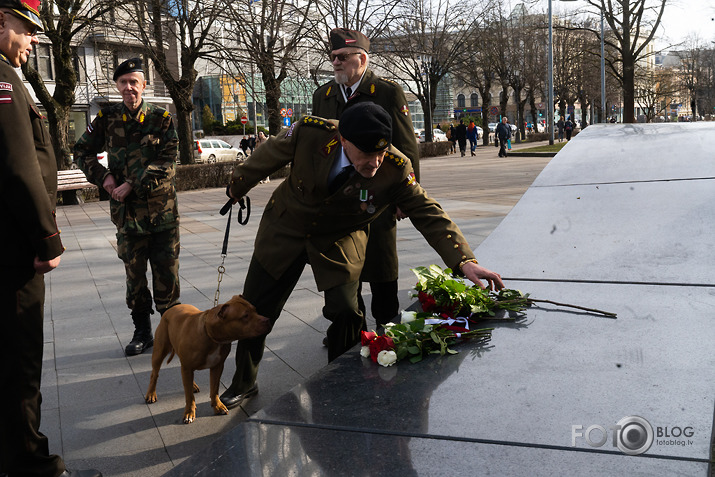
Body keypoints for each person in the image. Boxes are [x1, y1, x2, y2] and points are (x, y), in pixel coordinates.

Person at [219, 103, 504, 409]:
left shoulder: (396, 167)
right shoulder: (311, 133)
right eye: (367, 155)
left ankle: (337, 379)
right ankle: (244, 381)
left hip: (341, 236)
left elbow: (428, 212)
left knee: (345, 309)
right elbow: (268, 155)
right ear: (344, 140)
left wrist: (465, 261)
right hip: (286, 227)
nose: (375, 163)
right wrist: (237, 185)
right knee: (257, 306)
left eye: (380, 153)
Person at [0, 2, 102, 476]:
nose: (35, 39)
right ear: (2, 22)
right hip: (12, 252)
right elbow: (20, 169)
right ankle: (31, 464)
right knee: (20, 363)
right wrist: (47, 240)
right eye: (27, 28)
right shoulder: (2, 79)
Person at [312, 28, 420, 330]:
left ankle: (388, 326)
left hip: (379, 194)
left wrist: (406, 196)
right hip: (339, 197)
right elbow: (318, 146)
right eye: (333, 58)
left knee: (382, 265)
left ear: (361, 59)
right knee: (345, 269)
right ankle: (350, 330)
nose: (336, 63)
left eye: (342, 57)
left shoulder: (386, 92)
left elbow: (407, 146)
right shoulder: (324, 95)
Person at [74, 58, 180, 357]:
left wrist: (132, 183)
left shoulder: (162, 118)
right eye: (124, 82)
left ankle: (171, 332)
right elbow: (81, 151)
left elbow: (168, 160)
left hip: (163, 215)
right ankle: (143, 332)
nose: (129, 87)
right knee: (134, 278)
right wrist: (103, 177)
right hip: (128, 217)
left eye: (134, 82)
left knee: (167, 277)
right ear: (117, 86)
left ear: (144, 85)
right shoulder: (107, 118)